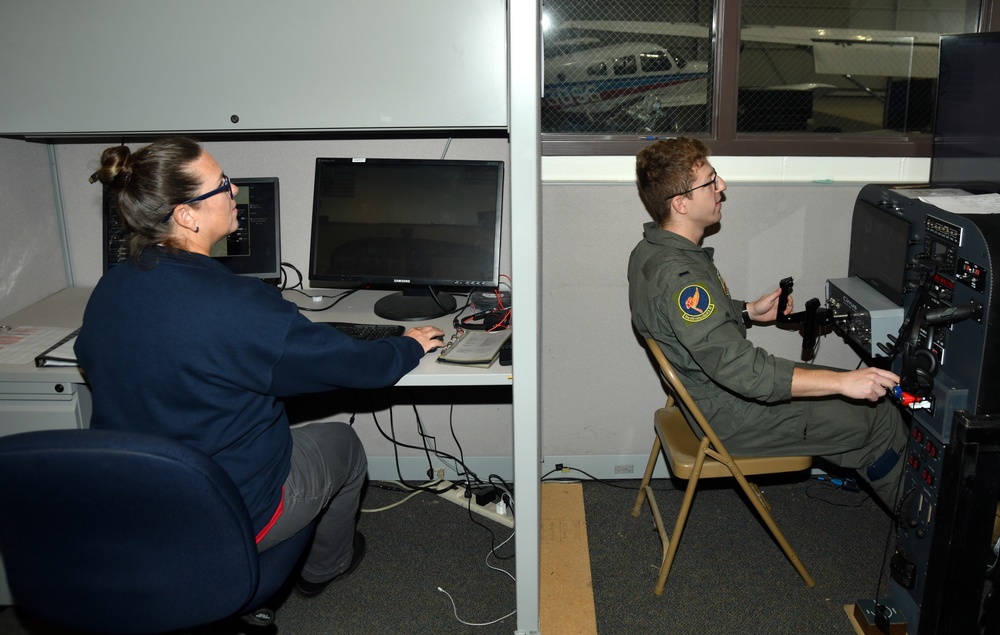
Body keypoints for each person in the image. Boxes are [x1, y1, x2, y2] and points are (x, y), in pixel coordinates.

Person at [76, 137, 445, 599]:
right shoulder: (238, 306)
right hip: (232, 511)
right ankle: (324, 570)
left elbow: (95, 358)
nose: (235, 192)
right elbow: (356, 367)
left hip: (137, 506)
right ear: (186, 215)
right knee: (343, 443)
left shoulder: (111, 288)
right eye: (222, 185)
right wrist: (407, 346)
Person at [627, 137, 907, 511]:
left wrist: (747, 311)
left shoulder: (652, 251)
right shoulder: (682, 276)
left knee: (848, 391)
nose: (721, 187)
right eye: (710, 182)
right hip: (735, 416)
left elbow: (689, 321)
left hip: (709, 401)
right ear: (680, 203)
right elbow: (744, 372)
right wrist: (843, 381)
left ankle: (850, 447)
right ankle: (929, 539)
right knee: (879, 418)